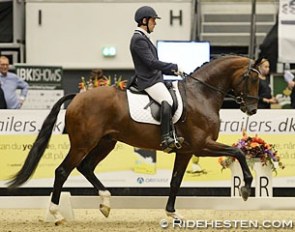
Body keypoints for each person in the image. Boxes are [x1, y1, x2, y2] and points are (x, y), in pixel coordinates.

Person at [129, 6, 183, 152]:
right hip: (148, 80)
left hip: (155, 78)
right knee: (168, 101)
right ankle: (166, 138)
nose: (155, 23)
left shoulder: (144, 38)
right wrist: (173, 67)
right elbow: (151, 63)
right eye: (153, 20)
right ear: (145, 20)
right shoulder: (138, 39)